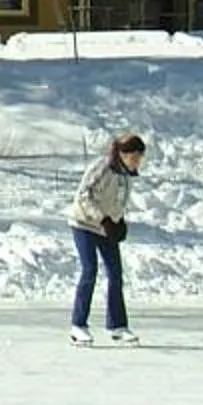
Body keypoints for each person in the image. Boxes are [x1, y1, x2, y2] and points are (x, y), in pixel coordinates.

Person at [69, 132, 146, 344]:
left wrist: (118, 221)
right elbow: (83, 195)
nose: (137, 163)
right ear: (122, 154)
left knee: (115, 274)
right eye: (134, 158)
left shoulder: (127, 175)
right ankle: (78, 325)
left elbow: (118, 201)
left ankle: (117, 325)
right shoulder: (101, 168)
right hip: (83, 224)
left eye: (140, 159)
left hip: (106, 228)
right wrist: (102, 219)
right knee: (89, 270)